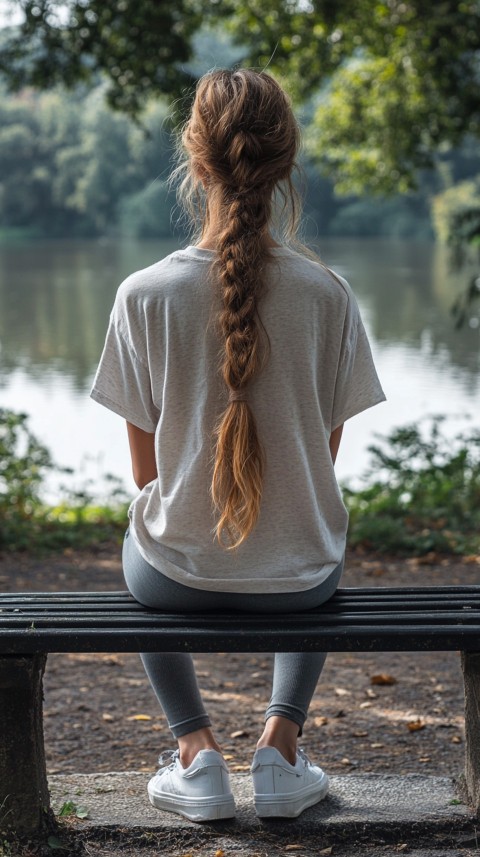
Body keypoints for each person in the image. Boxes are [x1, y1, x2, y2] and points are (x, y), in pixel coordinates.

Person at [90, 68, 385, 823]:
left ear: (195, 163)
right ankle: (281, 751)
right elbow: (319, 463)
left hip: (173, 577)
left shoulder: (143, 294)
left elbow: (146, 478)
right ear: (285, 164)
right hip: (302, 579)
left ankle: (197, 755)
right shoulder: (330, 295)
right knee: (317, 528)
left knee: (142, 527)